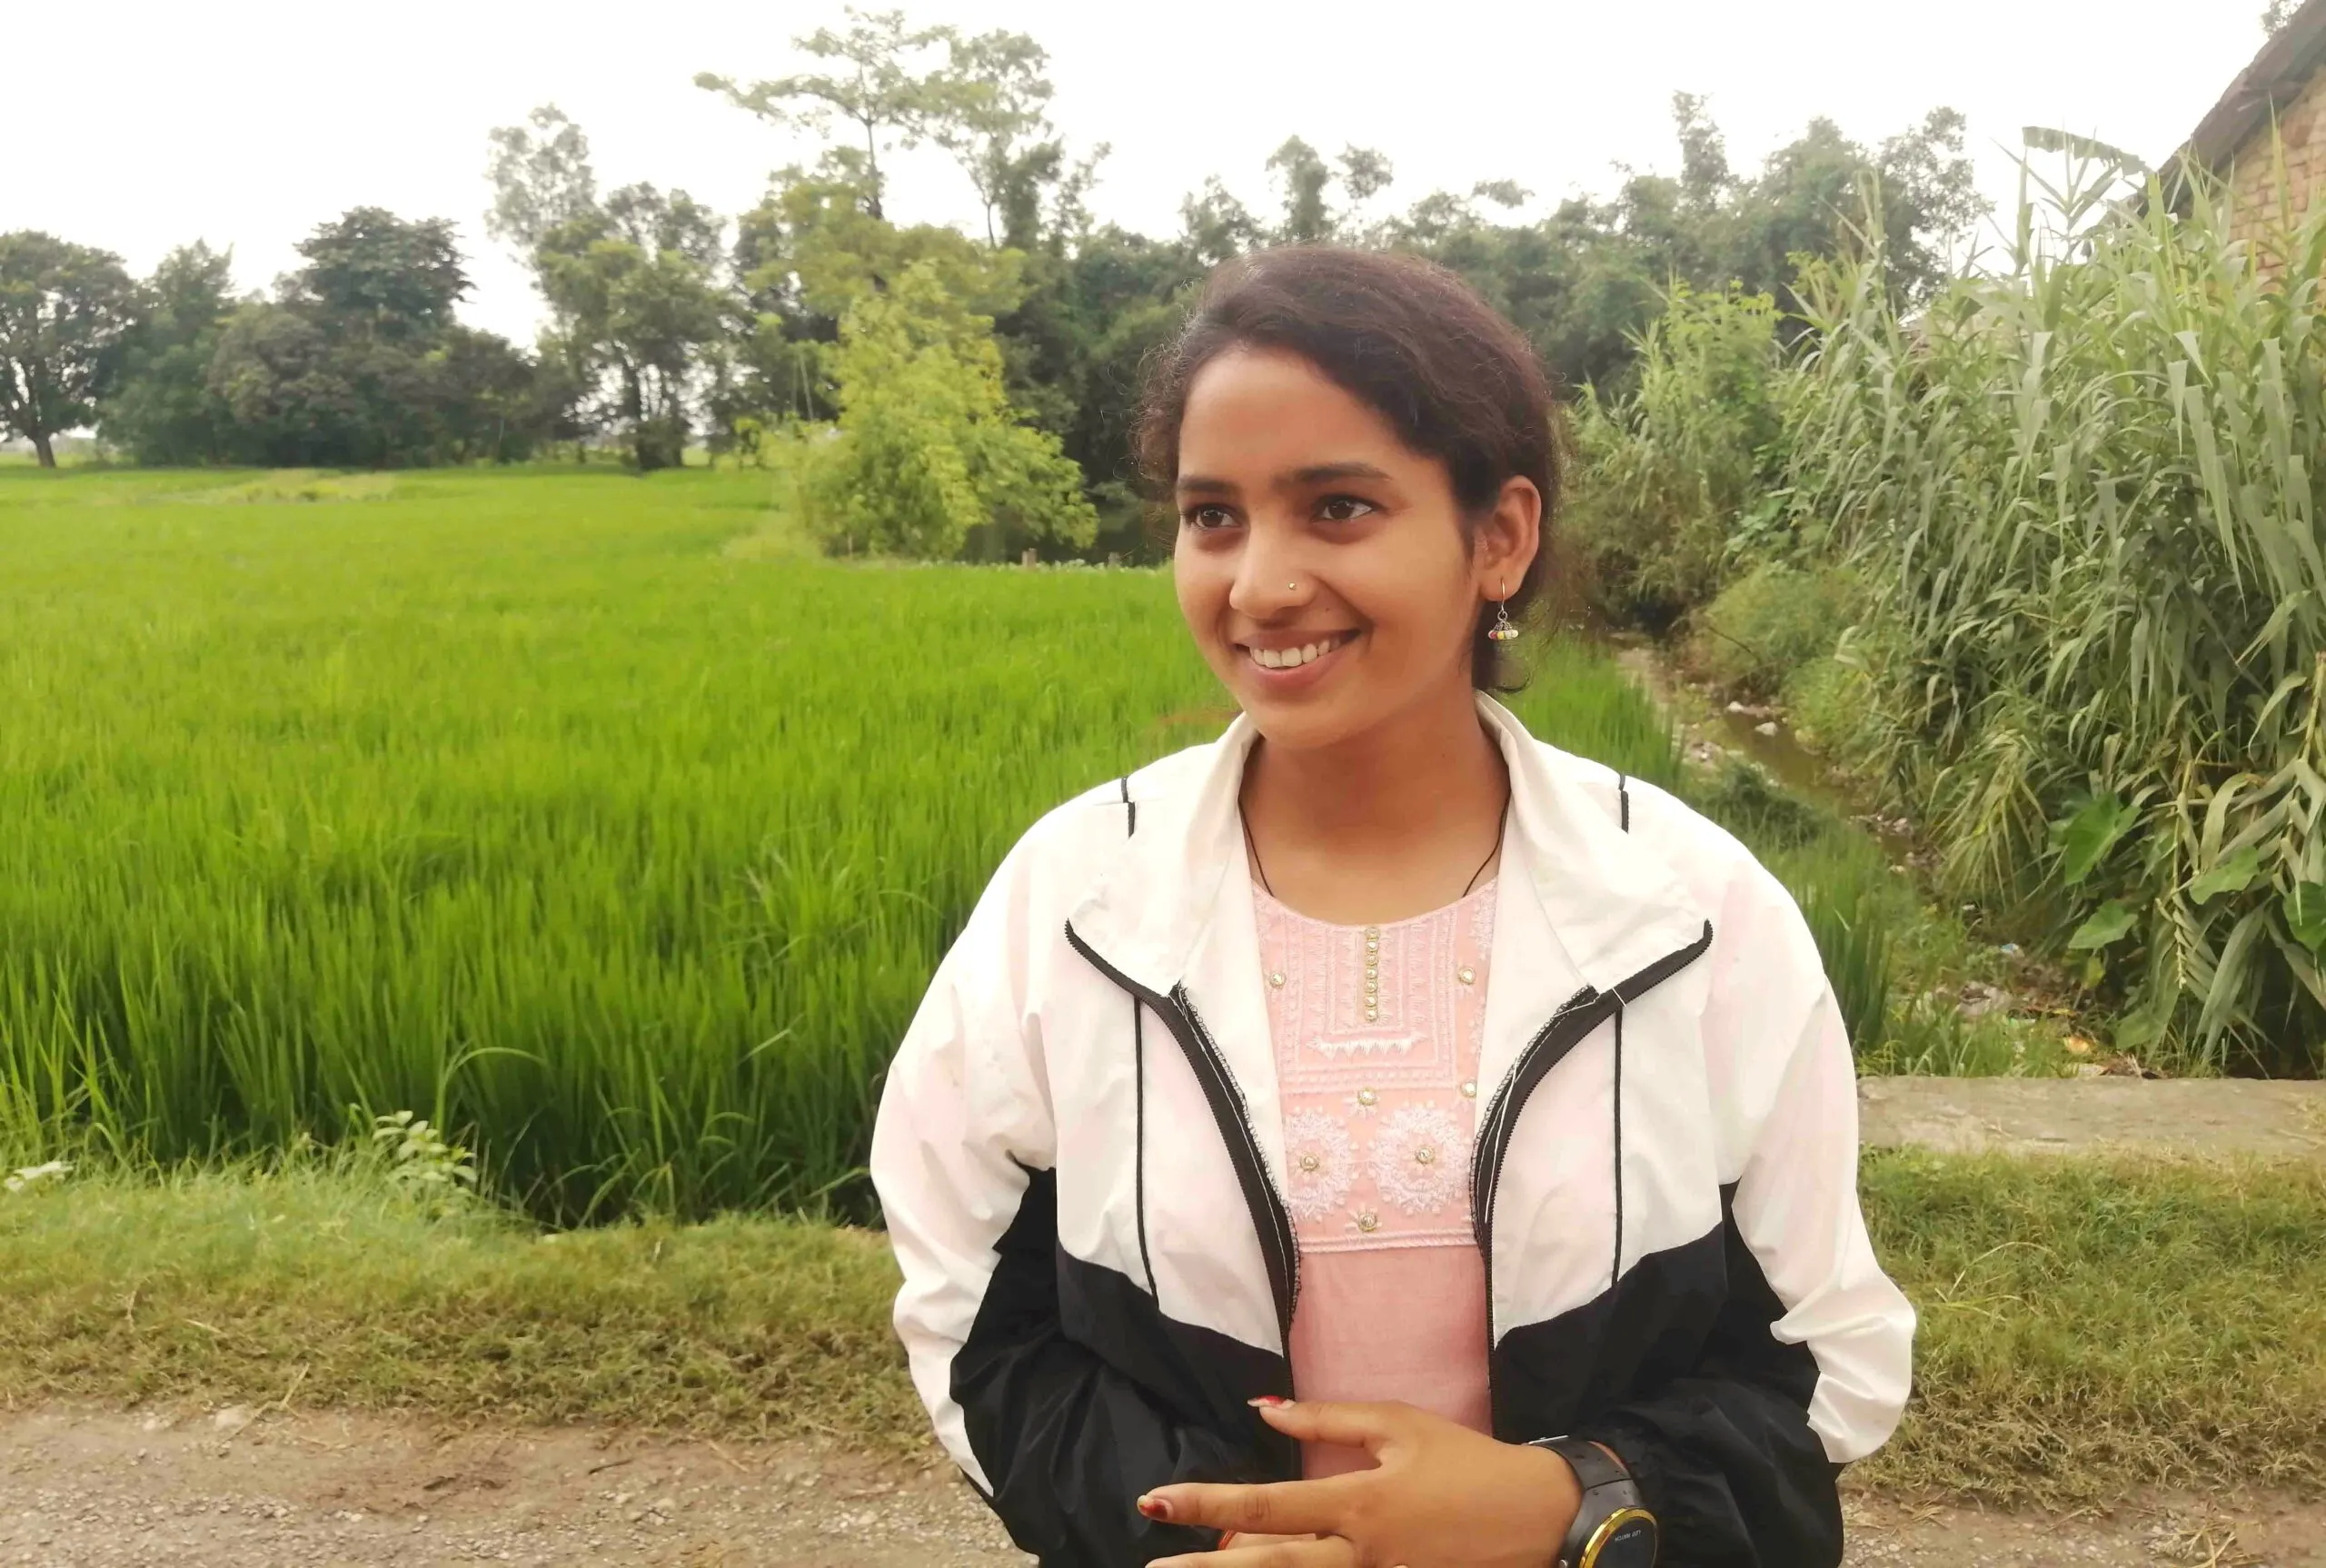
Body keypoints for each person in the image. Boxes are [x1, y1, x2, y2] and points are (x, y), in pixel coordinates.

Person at [870, 246, 1913, 1568]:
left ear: (1500, 537)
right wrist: (1198, 1540)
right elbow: (972, 1316)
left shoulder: (1687, 912)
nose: (1257, 584)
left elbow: (1826, 1363)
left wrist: (1567, 1504)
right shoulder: (1076, 902)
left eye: (1340, 507)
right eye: (1213, 516)